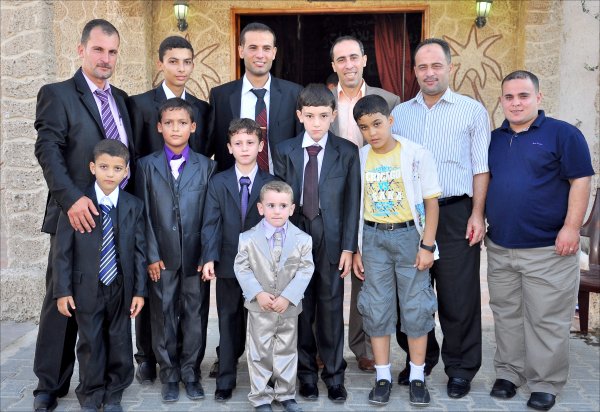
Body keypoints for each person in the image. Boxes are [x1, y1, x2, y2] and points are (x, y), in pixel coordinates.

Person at [33, 18, 134, 412]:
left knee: (109, 300)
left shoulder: (121, 99)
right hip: (76, 216)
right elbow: (48, 150)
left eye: (112, 52)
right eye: (98, 50)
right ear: (81, 50)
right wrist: (72, 200)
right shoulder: (57, 94)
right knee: (63, 299)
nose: (105, 58)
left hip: (117, 218)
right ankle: (50, 384)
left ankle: (105, 380)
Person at [485, 70, 594, 411]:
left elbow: (581, 181)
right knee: (507, 314)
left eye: (523, 96)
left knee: (546, 318)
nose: (516, 103)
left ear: (538, 98)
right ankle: (509, 372)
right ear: (501, 101)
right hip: (501, 246)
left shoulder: (563, 134)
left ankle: (545, 382)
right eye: (509, 97)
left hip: (549, 248)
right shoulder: (495, 139)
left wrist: (572, 227)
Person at [390, 38, 490, 397]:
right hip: (410, 215)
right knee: (410, 293)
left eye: (436, 66)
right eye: (422, 67)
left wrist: (477, 213)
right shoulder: (400, 114)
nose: (429, 73)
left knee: (457, 296)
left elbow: (481, 168)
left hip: (455, 213)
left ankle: (460, 368)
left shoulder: (472, 111)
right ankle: (420, 359)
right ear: (414, 71)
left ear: (450, 67)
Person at [127, 34, 211, 387]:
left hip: (191, 227)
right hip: (156, 218)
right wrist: (148, 249)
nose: (181, 68)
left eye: (187, 61)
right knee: (157, 306)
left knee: (192, 309)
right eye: (173, 61)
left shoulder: (202, 109)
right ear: (161, 63)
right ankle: (152, 360)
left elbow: (206, 185)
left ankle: (189, 367)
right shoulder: (139, 105)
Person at [273, 83, 360, 403]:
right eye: (310, 116)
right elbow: (278, 199)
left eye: (323, 116)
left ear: (333, 115)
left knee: (331, 306)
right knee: (300, 306)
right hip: (296, 235)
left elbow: (353, 202)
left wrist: (349, 247)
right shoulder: (284, 150)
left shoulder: (347, 151)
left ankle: (335, 376)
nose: (317, 123)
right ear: (299, 116)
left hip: (332, 237)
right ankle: (306, 374)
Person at [351, 94, 440, 406]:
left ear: (390, 121)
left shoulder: (416, 154)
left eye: (377, 124)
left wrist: (427, 245)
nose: (372, 132)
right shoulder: (360, 158)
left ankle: (417, 375)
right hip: (373, 238)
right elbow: (357, 206)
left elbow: (431, 202)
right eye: (364, 127)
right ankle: (382, 376)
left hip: (409, 237)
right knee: (376, 306)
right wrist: (358, 249)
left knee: (416, 306)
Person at [53, 139, 146, 412]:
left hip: (120, 284)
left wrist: (139, 291)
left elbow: (140, 252)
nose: (110, 174)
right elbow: (62, 252)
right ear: (92, 167)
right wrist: (62, 291)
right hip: (86, 286)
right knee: (90, 341)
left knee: (119, 339)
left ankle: (115, 392)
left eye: (117, 168)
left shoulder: (133, 205)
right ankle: (91, 394)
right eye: (104, 167)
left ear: (126, 172)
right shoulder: (76, 204)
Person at [135, 98, 216, 403]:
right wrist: (151, 255)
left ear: (193, 127)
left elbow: (211, 215)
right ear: (159, 127)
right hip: (162, 257)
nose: (175, 128)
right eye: (168, 123)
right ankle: (169, 373)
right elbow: (143, 214)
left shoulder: (207, 166)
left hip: (195, 257)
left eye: (182, 123)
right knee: (163, 314)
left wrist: (207, 254)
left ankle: (191, 371)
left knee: (195, 314)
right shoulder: (145, 166)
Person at [329, 35, 401, 372]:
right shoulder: (322, 101)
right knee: (325, 273)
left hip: (375, 195)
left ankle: (365, 347)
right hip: (329, 197)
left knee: (368, 275)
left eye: (353, 57)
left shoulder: (389, 100)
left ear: (365, 60)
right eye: (341, 59)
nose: (349, 65)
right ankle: (324, 345)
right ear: (334, 65)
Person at [201, 118, 276, 401]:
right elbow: (211, 222)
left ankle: (266, 378)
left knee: (263, 323)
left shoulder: (271, 183)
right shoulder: (218, 182)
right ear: (229, 148)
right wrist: (209, 257)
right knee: (228, 320)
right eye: (238, 143)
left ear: (260, 146)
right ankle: (226, 378)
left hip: (262, 267)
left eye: (250, 143)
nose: (244, 148)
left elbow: (277, 225)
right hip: (228, 263)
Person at [234, 181, 314, 412]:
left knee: (287, 349)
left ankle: (286, 393)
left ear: (292, 208)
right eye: (271, 205)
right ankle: (260, 396)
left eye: (283, 206)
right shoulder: (247, 238)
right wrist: (257, 293)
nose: (277, 211)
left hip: (288, 307)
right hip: (260, 306)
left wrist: (288, 297)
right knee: (259, 351)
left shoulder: (303, 239)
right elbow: (242, 268)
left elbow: (305, 269)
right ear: (261, 208)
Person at [206, 22, 303, 173]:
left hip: (281, 183)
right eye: (253, 48)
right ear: (241, 51)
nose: (260, 55)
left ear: (274, 53)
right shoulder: (220, 96)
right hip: (233, 184)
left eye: (266, 48)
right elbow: (207, 148)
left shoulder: (294, 94)